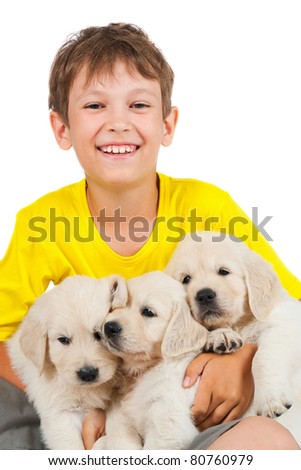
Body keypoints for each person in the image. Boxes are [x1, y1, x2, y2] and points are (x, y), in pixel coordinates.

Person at [0, 23, 300, 450]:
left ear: (168, 124)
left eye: (138, 104)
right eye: (95, 105)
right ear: (62, 128)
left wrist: (243, 361)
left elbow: (284, 308)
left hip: (190, 404)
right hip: (84, 406)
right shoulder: (42, 222)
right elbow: (3, 335)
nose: (118, 122)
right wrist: (87, 400)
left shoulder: (209, 208)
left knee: (270, 444)